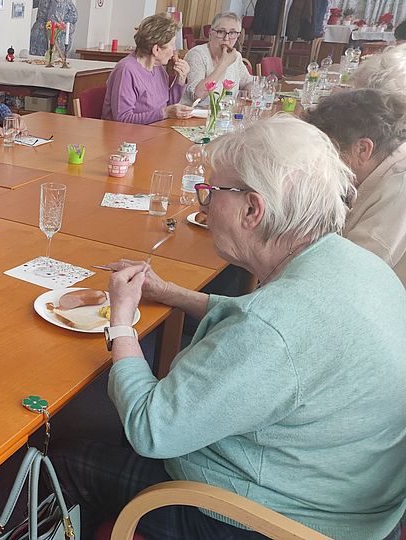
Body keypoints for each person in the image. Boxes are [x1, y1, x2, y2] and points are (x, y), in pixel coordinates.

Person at [52, 116, 406, 539]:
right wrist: (173, 294)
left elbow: (151, 428)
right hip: (351, 497)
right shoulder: (356, 263)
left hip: (273, 520)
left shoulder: (272, 325)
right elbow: (264, 324)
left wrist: (121, 323)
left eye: (211, 192)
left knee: (67, 460)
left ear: (253, 209)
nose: (203, 205)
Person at [304, 88, 406, 285]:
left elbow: (347, 276)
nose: (320, 163)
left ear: (362, 149)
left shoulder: (399, 187)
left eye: (328, 152)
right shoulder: (386, 165)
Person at [102, 14, 193, 124]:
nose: (174, 51)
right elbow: (123, 119)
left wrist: (180, 80)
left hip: (154, 131)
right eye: (172, 45)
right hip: (124, 136)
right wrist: (165, 113)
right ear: (156, 49)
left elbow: (168, 106)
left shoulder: (159, 69)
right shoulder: (126, 70)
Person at [181, 12, 254, 106]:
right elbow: (197, 96)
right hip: (193, 115)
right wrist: (224, 64)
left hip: (224, 116)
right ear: (210, 33)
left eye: (232, 33)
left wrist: (252, 92)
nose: (226, 38)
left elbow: (248, 82)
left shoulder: (236, 56)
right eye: (221, 32)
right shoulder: (196, 54)